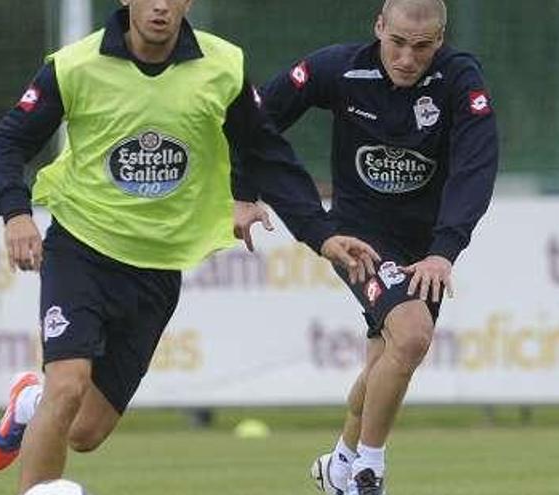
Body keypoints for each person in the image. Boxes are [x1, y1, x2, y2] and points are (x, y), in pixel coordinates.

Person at [0, 1, 380, 493]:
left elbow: (267, 154)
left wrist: (319, 234)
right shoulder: (75, 66)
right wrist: (16, 212)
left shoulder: (222, 66)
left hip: (157, 267)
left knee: (84, 431)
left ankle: (28, 401)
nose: (161, 5)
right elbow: (7, 142)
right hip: (80, 248)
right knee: (67, 385)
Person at [237, 0, 499, 493]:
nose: (406, 57)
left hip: (425, 246)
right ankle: (367, 471)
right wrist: (243, 192)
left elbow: (476, 168)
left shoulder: (460, 80)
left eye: (421, 47)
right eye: (397, 42)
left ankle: (339, 463)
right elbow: (256, 118)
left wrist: (444, 250)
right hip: (360, 235)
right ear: (379, 27)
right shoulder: (339, 67)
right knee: (414, 335)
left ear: (439, 40)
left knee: (387, 360)